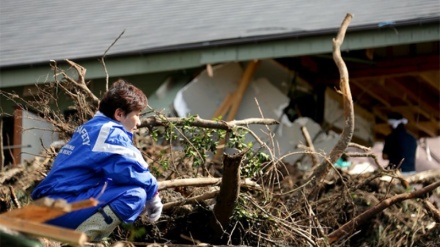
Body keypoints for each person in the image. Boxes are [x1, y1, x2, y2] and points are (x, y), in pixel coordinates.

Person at [31, 79, 163, 241]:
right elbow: (130, 170)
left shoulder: (91, 127)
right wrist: (154, 194)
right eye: (137, 115)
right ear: (119, 114)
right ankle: (76, 242)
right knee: (136, 194)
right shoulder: (109, 133)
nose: (139, 122)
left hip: (48, 208)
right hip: (59, 211)